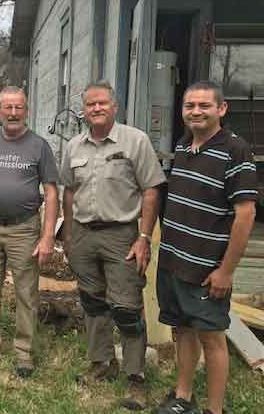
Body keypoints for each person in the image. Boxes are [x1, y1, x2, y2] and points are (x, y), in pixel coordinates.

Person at [60, 80, 166, 410]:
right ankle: (101, 362)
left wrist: (144, 237)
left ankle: (136, 378)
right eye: (90, 104)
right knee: (92, 302)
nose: (96, 108)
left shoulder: (135, 141)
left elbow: (151, 190)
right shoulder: (74, 146)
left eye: (102, 103)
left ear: (114, 106)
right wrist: (68, 235)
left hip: (122, 235)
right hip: (83, 234)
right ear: (84, 110)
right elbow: (68, 190)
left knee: (127, 307)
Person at [154, 81, 257, 414]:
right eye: (190, 106)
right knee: (182, 330)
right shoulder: (184, 146)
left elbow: (245, 216)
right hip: (173, 261)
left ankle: (215, 410)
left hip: (206, 269)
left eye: (204, 106)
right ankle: (183, 397)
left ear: (222, 109)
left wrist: (225, 271)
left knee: (212, 338)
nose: (196, 112)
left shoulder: (235, 150)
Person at [0, 86, 59, 378]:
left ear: (26, 111)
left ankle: (23, 352)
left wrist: (48, 236)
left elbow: (51, 191)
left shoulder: (39, 146)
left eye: (18, 108)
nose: (13, 113)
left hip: (25, 228)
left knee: (26, 291)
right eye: (7, 108)